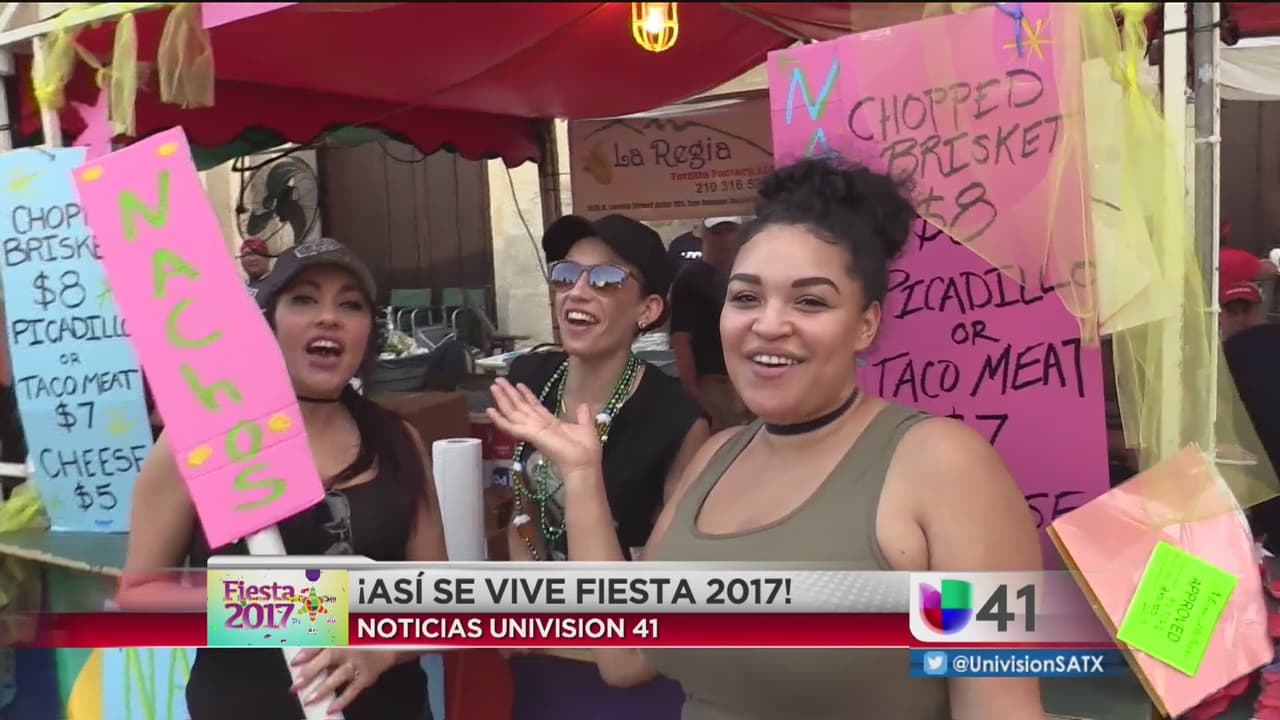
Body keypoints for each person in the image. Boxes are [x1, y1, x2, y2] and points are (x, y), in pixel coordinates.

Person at [487, 157, 1044, 719]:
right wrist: (582, 477)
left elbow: (1001, 706)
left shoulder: (945, 467)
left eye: (810, 301)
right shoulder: (715, 459)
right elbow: (627, 655)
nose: (769, 324)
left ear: (866, 324)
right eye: (747, 297)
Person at [116, 239, 448, 720]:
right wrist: (311, 604)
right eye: (304, 299)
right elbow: (139, 597)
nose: (329, 317)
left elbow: (441, 602)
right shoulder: (200, 442)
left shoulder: (400, 442)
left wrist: (381, 650)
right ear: (267, 323)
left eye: (350, 304)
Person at [504, 213, 708, 720]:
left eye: (606, 279)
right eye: (565, 275)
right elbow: (521, 511)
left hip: (620, 672)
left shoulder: (677, 420)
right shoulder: (529, 377)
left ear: (648, 309)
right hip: (535, 656)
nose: (577, 291)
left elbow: (667, 587)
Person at [669, 216, 750, 431]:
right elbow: (681, 338)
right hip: (713, 384)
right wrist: (691, 389)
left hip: (748, 376)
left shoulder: (748, 273)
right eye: (717, 231)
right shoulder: (689, 278)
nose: (724, 237)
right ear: (704, 235)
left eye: (730, 230)